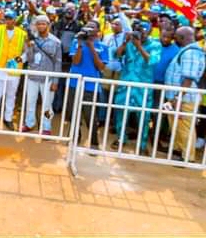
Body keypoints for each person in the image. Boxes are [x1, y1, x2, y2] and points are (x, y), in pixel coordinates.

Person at [111, 21, 159, 152]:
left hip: (143, 88)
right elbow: (117, 55)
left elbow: (152, 60)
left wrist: (139, 46)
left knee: (143, 116)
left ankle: (142, 144)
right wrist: (125, 42)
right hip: (126, 85)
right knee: (121, 112)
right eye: (137, 31)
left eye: (143, 32)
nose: (140, 34)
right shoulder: (130, 43)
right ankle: (121, 138)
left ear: (149, 32)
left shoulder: (155, 44)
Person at [164, 26, 205, 162]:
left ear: (182, 38)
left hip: (185, 98)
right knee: (176, 126)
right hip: (178, 97)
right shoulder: (186, 51)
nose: (174, 39)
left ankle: (187, 157)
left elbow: (189, 78)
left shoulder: (191, 53)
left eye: (176, 37)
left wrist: (178, 97)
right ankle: (178, 150)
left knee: (184, 127)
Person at [66, 20, 109, 147]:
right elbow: (76, 61)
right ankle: (74, 138)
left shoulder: (103, 46)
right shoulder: (76, 42)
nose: (89, 28)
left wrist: (91, 47)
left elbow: (101, 67)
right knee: (74, 112)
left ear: (97, 31)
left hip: (91, 85)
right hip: (75, 83)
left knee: (90, 115)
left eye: (92, 27)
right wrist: (80, 44)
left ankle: (94, 142)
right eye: (87, 26)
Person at [0, 9, 27, 130]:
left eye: (11, 18)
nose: (8, 21)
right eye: (7, 18)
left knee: (11, 95)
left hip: (14, 70)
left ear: (15, 20)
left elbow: (26, 51)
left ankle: (8, 118)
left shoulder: (22, 33)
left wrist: (20, 60)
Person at [22, 15, 62, 134]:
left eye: (43, 24)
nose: (40, 26)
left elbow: (58, 63)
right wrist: (28, 47)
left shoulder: (56, 42)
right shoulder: (32, 39)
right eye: (38, 24)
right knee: (30, 102)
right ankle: (29, 123)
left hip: (48, 79)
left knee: (47, 105)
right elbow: (29, 58)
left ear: (48, 25)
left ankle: (46, 127)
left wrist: (55, 81)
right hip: (33, 76)